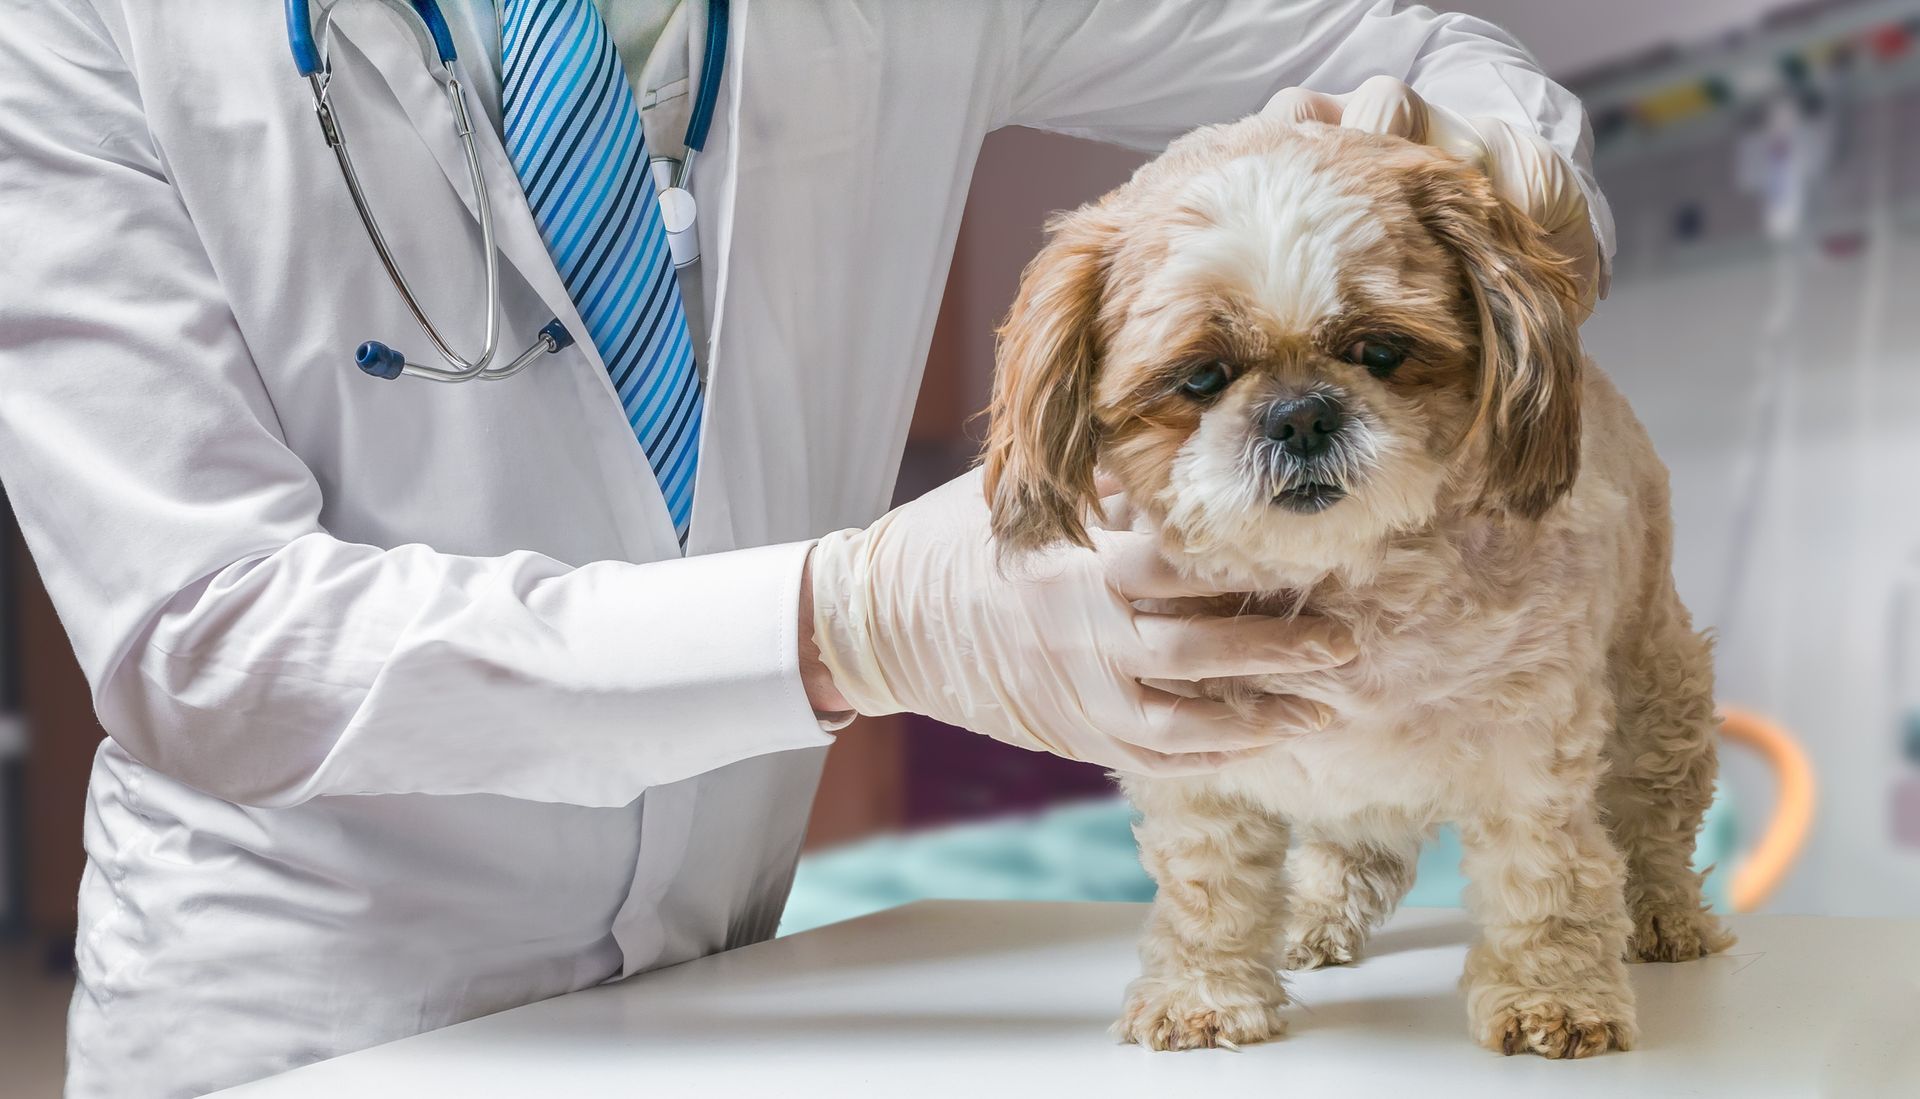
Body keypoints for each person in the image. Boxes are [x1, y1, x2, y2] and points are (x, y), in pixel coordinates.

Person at [0, 2, 1609, 1094]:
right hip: (306, 1014)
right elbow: (206, 640)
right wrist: (856, 622)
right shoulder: (78, 29)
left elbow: (1414, 41)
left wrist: (1496, 226)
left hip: (724, 990)